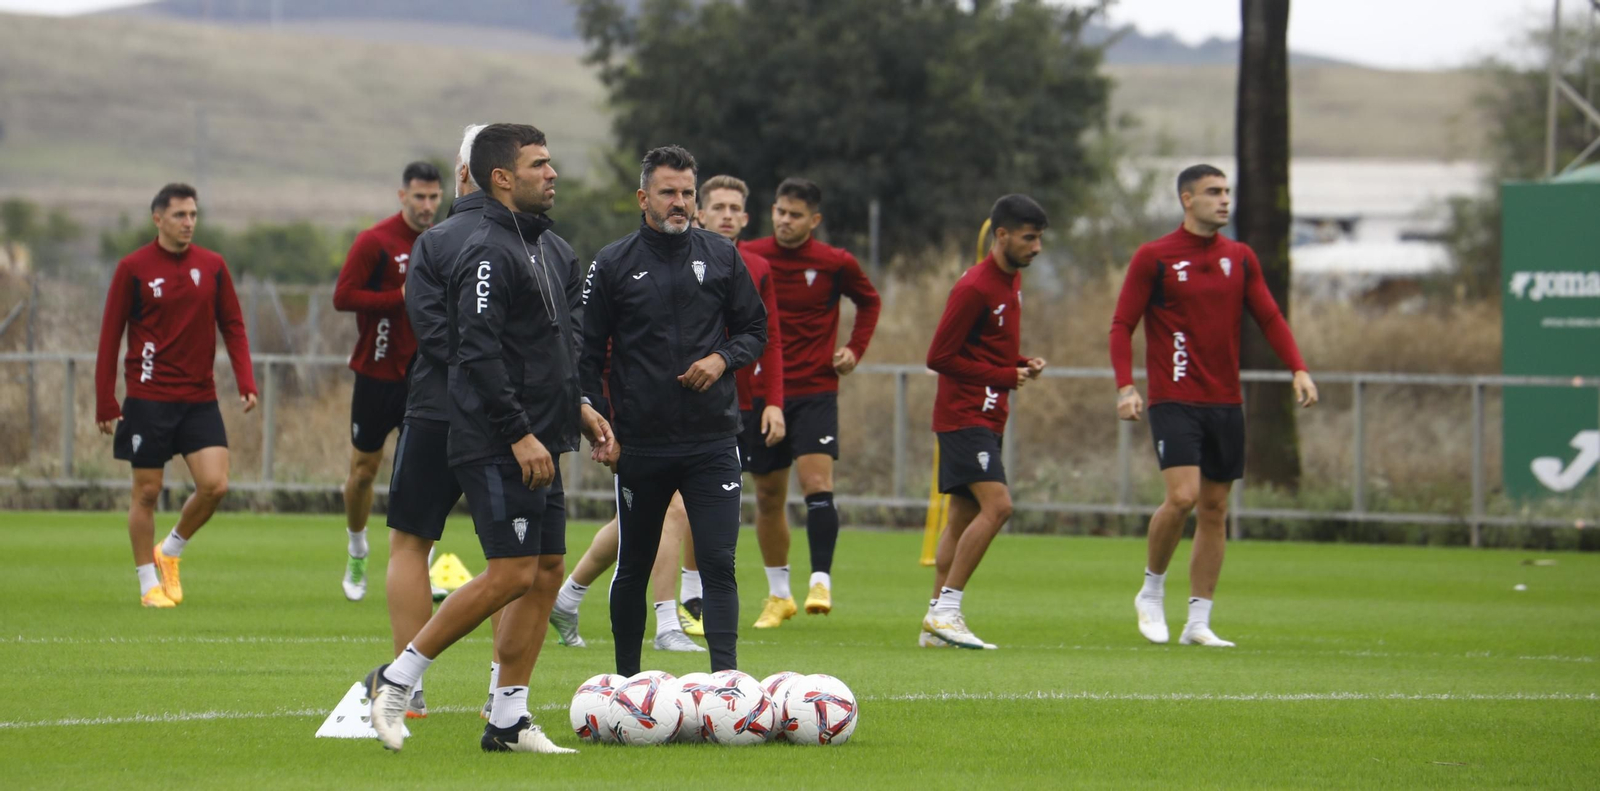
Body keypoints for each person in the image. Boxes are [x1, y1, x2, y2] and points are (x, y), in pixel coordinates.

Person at [365, 123, 611, 754]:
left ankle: (508, 719)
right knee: (506, 571)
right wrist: (518, 430)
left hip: (541, 432)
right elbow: (469, 347)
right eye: (540, 164)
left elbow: (565, 343)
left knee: (546, 570)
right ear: (498, 174)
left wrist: (577, 405)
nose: (553, 173)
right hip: (492, 430)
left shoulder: (550, 247)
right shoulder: (476, 244)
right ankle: (397, 679)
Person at [1110, 164, 1319, 648]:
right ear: (1187, 199)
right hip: (1173, 397)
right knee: (1182, 497)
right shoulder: (1155, 257)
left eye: (1227, 192)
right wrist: (1126, 386)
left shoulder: (1240, 257)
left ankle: (1198, 622)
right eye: (1213, 192)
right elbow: (1122, 324)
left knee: (1215, 508)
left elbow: (1269, 315)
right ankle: (1151, 591)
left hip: (1224, 400)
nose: (1224, 200)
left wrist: (1298, 368)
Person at [579, 145, 767, 677]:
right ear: (644, 198)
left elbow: (755, 331)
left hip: (712, 442)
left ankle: (727, 682)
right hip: (641, 445)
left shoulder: (723, 257)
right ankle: (627, 684)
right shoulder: (612, 263)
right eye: (669, 192)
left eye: (688, 193)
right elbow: (586, 355)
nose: (680, 203)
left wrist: (720, 359)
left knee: (718, 566)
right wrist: (598, 421)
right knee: (633, 566)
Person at [387, 124, 550, 719]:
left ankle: (409, 691)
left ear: (463, 174)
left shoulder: (434, 242)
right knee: (515, 557)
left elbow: (433, 335)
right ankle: (496, 693)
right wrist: (501, 381)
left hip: (437, 410)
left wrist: (481, 370)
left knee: (412, 543)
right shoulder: (529, 242)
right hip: (509, 418)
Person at [94, 183, 256, 608]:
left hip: (199, 398)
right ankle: (148, 584)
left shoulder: (213, 266)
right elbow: (110, 336)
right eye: (180, 215)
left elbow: (233, 326)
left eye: (193, 215)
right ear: (158, 219)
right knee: (147, 492)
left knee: (215, 485)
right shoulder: (133, 268)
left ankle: (169, 551)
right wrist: (105, 400)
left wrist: (245, 379)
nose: (188, 223)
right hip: (148, 398)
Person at [742, 178, 880, 623]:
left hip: (816, 389)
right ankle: (779, 594)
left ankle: (821, 579)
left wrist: (855, 349)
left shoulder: (835, 262)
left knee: (817, 484)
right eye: (780, 211)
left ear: (814, 220)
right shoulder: (751, 254)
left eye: (795, 214)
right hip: (763, 393)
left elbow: (870, 301)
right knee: (766, 495)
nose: (784, 220)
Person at [921, 195, 1049, 650]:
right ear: (1002, 235)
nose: (1036, 247)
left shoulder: (1010, 283)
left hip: (990, 414)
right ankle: (948, 610)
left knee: (962, 519)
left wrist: (1019, 363)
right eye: (1029, 238)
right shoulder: (975, 286)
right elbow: (938, 356)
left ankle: (932, 626)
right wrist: (1002, 374)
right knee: (999, 507)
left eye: (1039, 238)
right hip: (963, 417)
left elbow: (985, 349)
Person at [331, 161, 442, 601]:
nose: (428, 206)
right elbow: (343, 296)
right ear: (403, 197)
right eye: (420, 197)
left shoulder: (444, 241)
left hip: (427, 377)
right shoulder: (375, 241)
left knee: (423, 474)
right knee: (363, 472)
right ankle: (357, 548)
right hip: (377, 374)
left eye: (434, 197)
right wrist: (398, 298)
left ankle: (420, 562)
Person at [697, 175, 791, 627]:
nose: (728, 215)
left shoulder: (757, 267)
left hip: (748, 404)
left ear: (746, 217)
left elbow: (768, 339)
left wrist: (774, 400)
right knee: (700, 503)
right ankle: (691, 597)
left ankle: (778, 594)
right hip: (697, 405)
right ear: (701, 213)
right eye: (719, 207)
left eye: (735, 208)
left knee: (763, 494)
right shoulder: (684, 261)